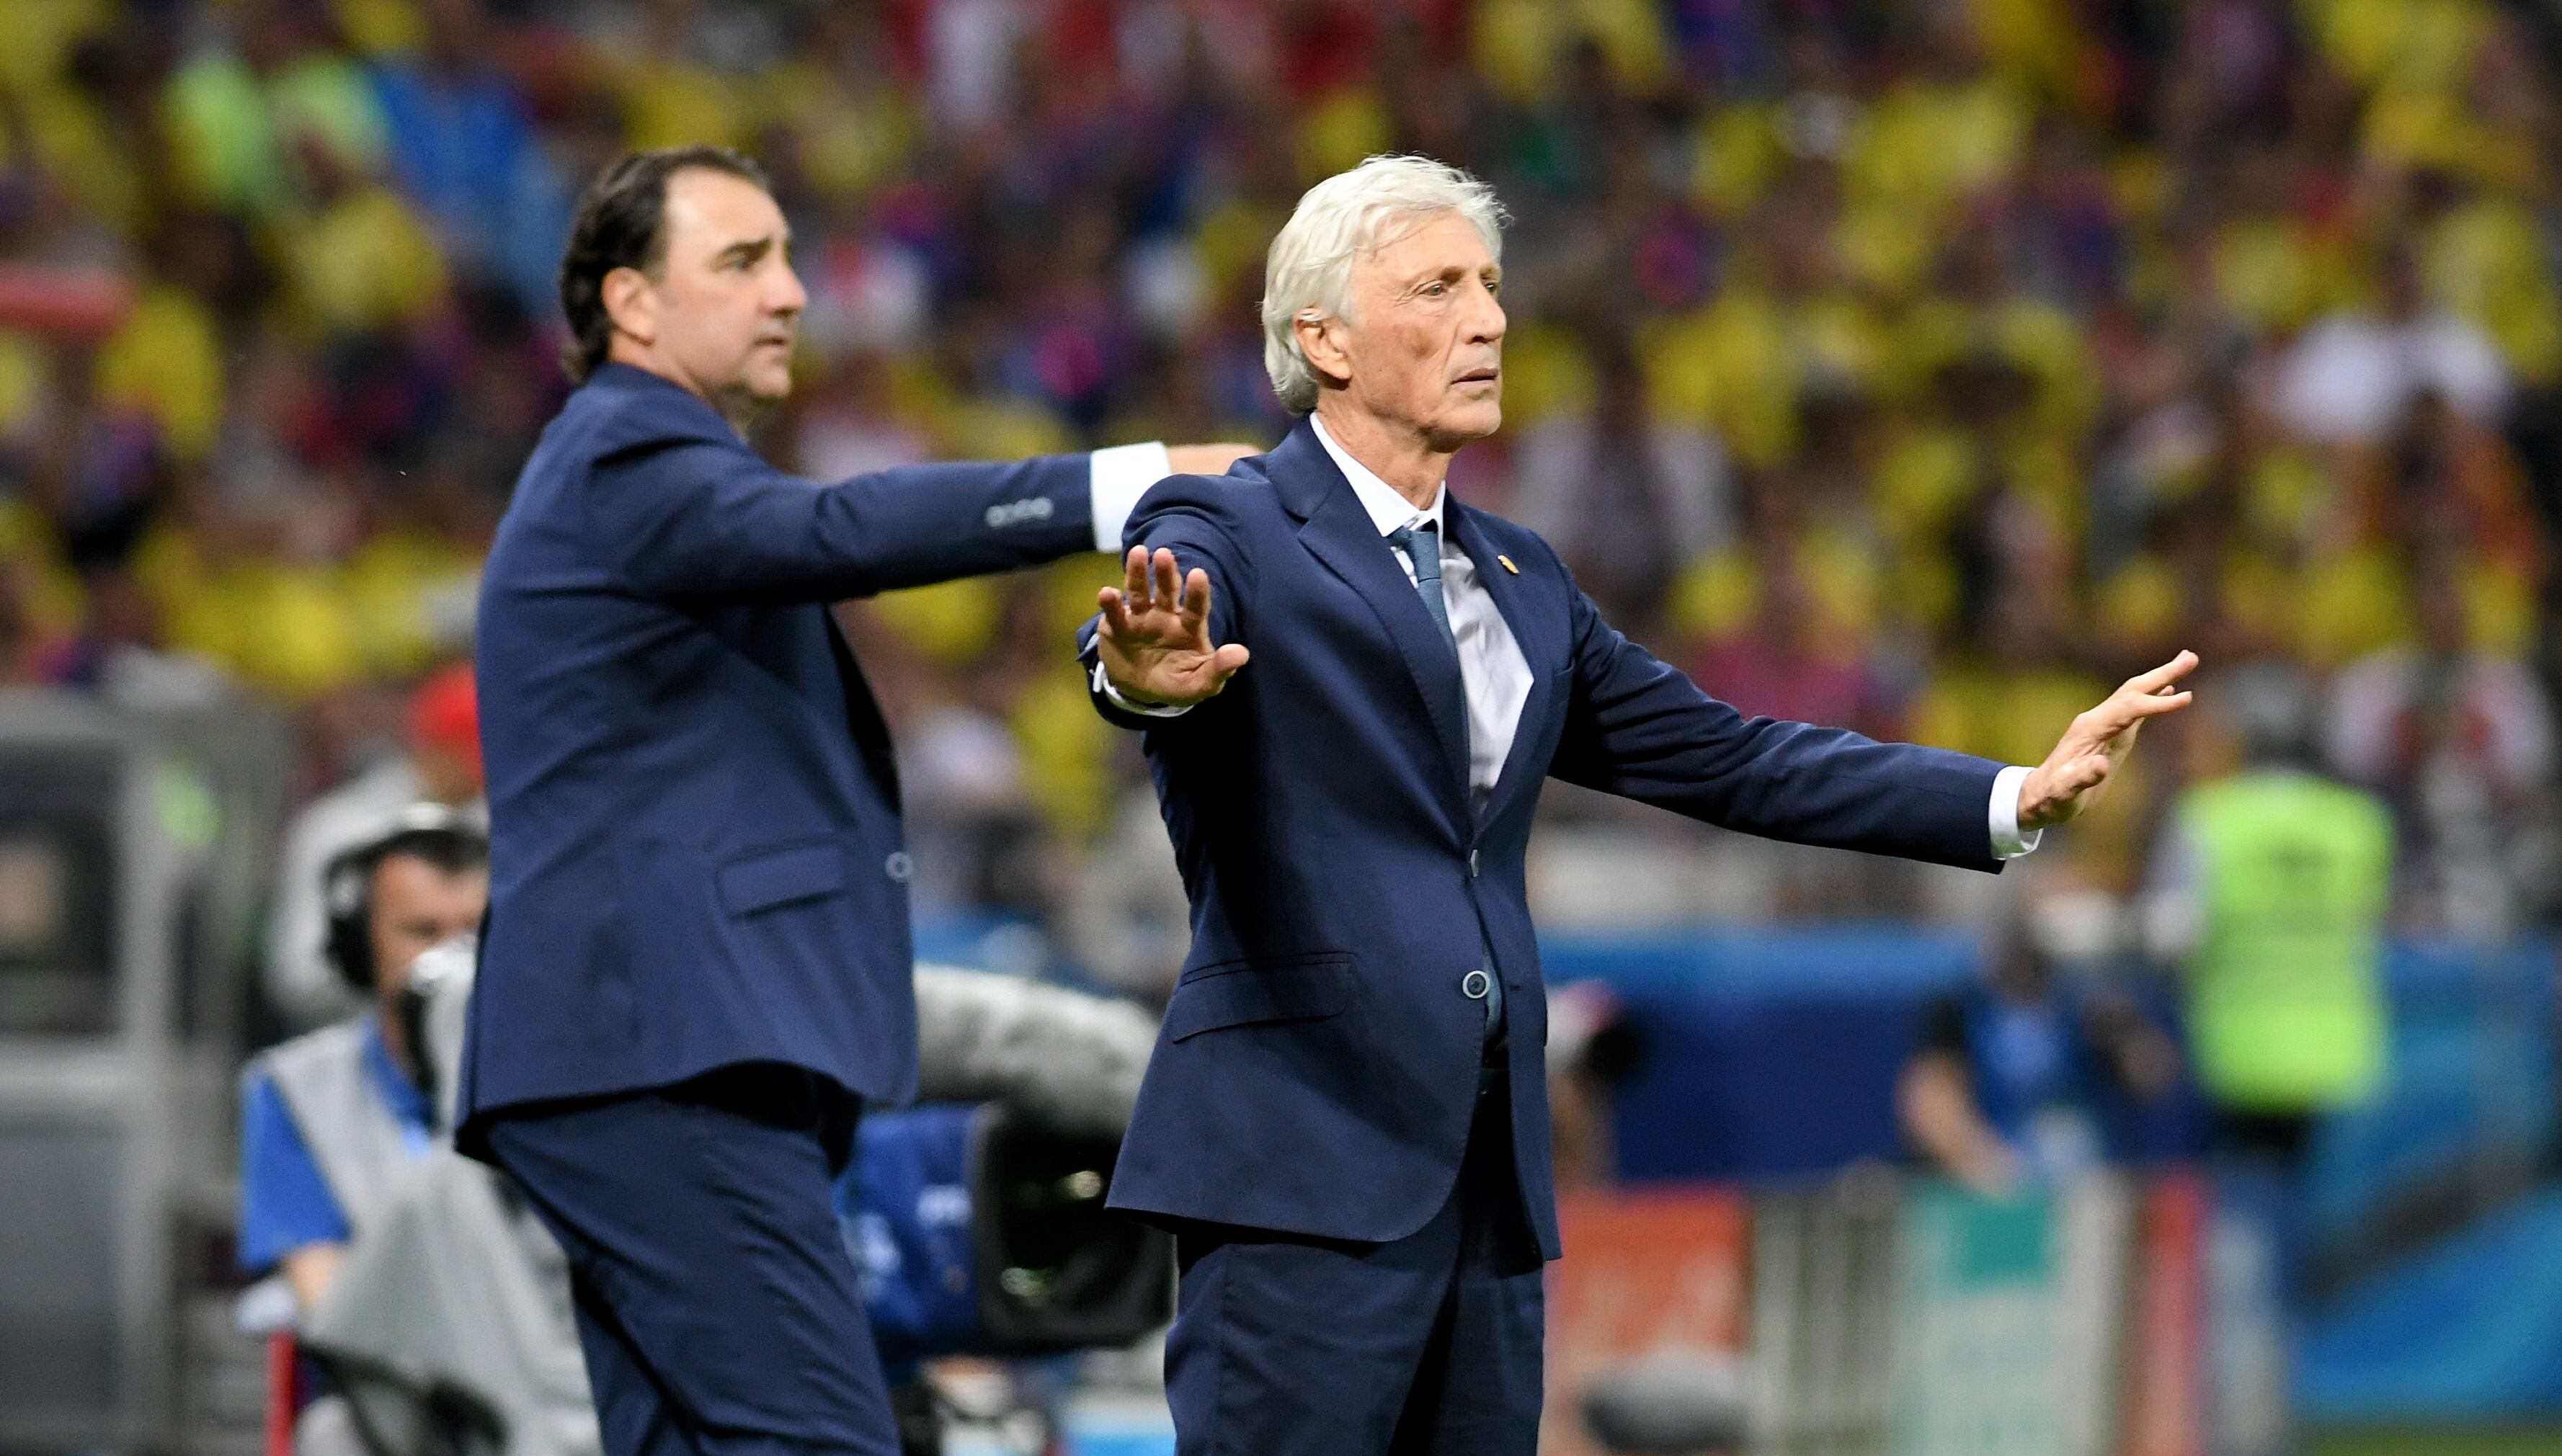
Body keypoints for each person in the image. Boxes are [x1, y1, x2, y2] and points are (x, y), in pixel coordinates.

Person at [1080, 154, 2196, 1455]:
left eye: (1492, 286)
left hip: (1488, 1191)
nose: (1490, 318)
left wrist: (2008, 793)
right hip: (1296, 1176)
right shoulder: (1233, 521)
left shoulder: (1523, 576)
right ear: (1321, 336)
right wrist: (1140, 676)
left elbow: (1734, 758)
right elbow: (1154, 633)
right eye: (1438, 287)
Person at [458, 144, 1250, 1456]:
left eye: (785, 257)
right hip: (667, 1058)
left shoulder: (636, 474)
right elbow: (836, 531)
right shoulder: (624, 452)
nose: (789, 294)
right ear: (630, 305)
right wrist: (1129, 482)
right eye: (741, 261)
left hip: (631, 1062)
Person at [2145, 663, 2394, 1176]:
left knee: (2246, 1224)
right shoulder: (2359, 822)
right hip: (2339, 1054)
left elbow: (2169, 936)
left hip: (2234, 1054)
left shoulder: (2208, 818)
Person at [239, 805, 490, 1312]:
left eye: (473, 931)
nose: (454, 958)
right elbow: (330, 1307)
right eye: (423, 931)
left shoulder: (552, 1086)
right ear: (362, 948)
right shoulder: (299, 1091)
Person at [1899, 890, 2178, 1195]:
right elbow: (1930, 1104)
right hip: (1996, 1181)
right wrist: (1992, 1167)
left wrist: (2123, 1015)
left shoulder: (2080, 1008)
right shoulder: (1958, 1009)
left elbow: (2153, 1077)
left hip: (2083, 1182)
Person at [264, 661, 485, 1027]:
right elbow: (297, 974)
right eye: (468, 760)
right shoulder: (341, 828)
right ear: (434, 749)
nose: (481, 780)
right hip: (356, 1040)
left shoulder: (496, 826)